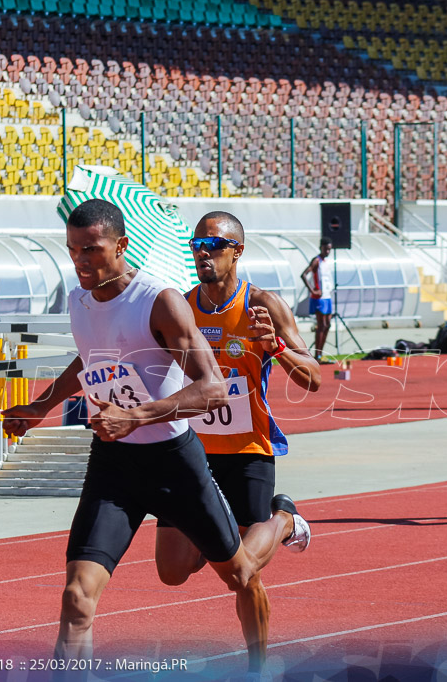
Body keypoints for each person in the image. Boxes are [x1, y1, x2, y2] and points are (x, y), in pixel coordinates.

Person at [0, 200, 307, 678]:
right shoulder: (79, 301)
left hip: (177, 463)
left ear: (121, 246)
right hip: (114, 466)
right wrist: (42, 406)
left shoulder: (160, 299)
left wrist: (137, 416)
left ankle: (261, 655)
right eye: (72, 250)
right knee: (78, 597)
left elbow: (210, 388)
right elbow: (89, 361)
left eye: (91, 250)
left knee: (242, 573)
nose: (80, 260)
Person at [154, 211, 321, 677]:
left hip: (247, 452)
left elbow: (314, 379)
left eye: (213, 244)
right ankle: (281, 518)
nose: (202, 252)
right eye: (196, 244)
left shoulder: (263, 305)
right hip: (191, 453)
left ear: (236, 251)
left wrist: (277, 349)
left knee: (244, 573)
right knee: (171, 570)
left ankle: (282, 518)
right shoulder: (181, 307)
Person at [301, 237, 334, 363]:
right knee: (322, 325)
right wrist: (312, 290)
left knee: (327, 325)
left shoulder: (326, 262)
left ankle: (320, 354)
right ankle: (317, 355)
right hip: (319, 297)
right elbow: (304, 275)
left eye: (329, 249)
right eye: (326, 249)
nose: (327, 251)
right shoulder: (316, 261)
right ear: (321, 247)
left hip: (327, 297)